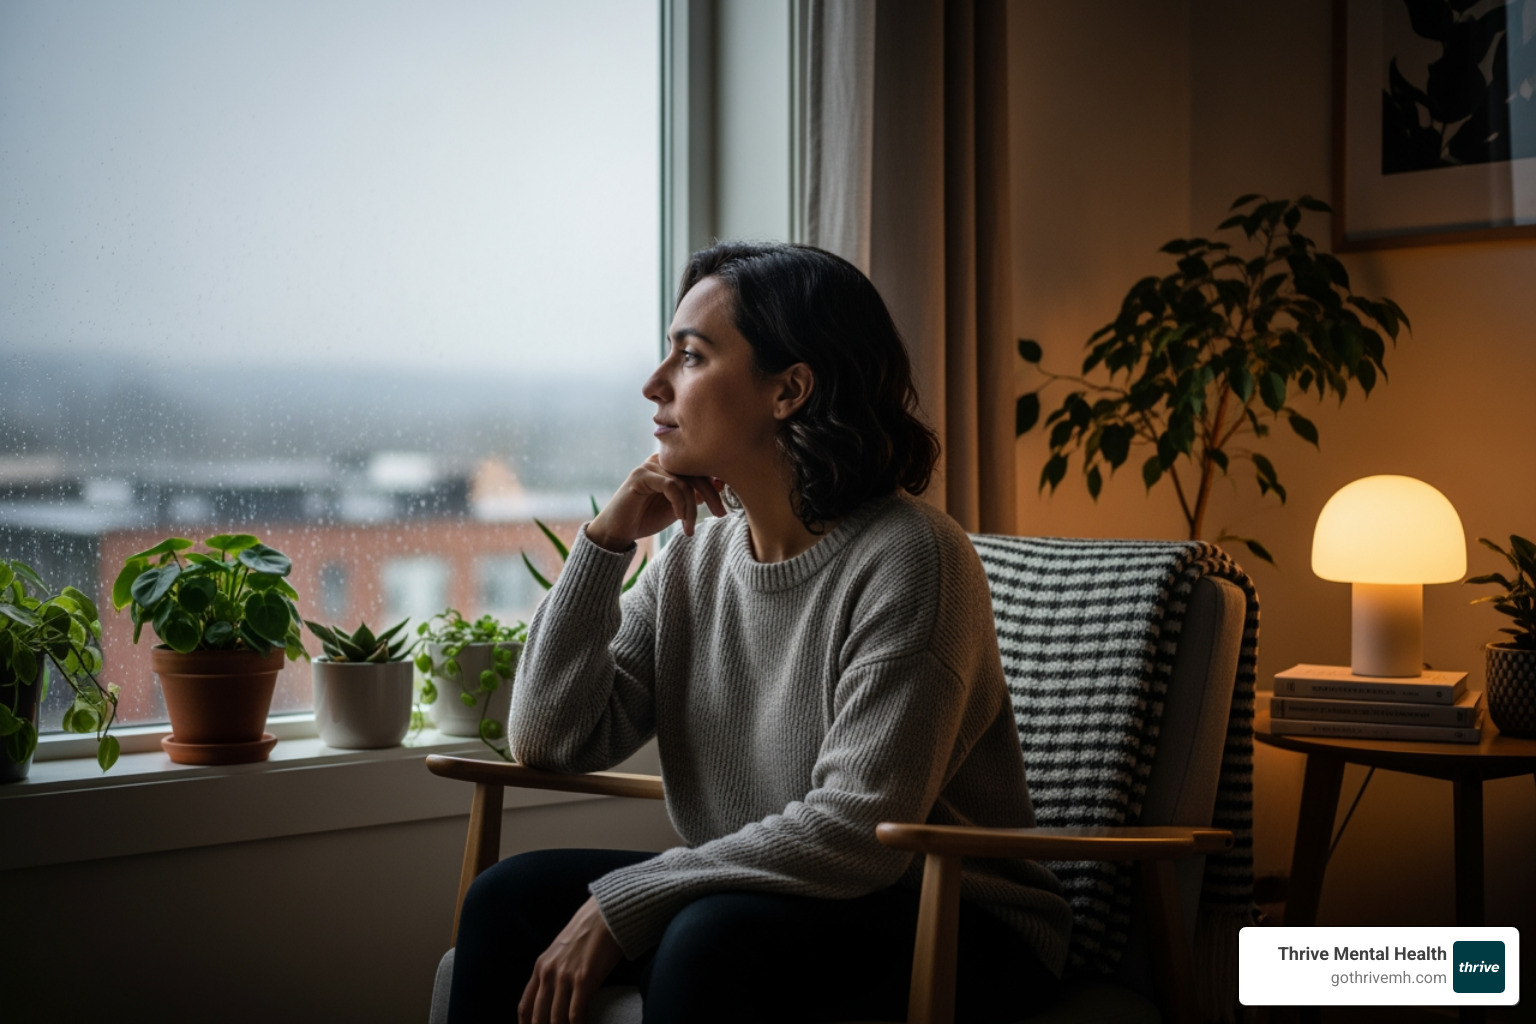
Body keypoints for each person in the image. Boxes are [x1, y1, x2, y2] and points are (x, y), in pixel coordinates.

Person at [447, 242, 1071, 1024]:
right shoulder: (694, 561)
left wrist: (626, 902)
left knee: (707, 940)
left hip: (953, 919)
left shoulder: (913, 558)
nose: (655, 383)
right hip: (773, 894)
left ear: (790, 390)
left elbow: (858, 829)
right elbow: (550, 739)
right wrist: (606, 543)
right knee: (506, 898)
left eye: (692, 355)